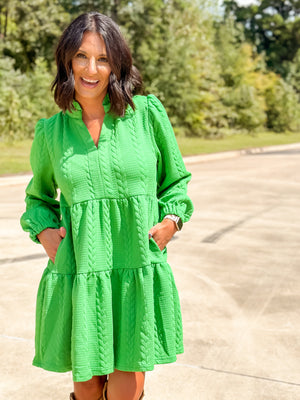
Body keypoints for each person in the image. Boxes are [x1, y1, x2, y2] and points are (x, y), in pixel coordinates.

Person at [20, 11, 193, 400]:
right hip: (82, 275)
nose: (91, 69)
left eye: (102, 58)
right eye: (81, 56)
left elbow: (176, 181)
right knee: (86, 391)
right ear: (67, 61)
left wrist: (170, 222)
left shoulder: (147, 114)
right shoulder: (52, 132)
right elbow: (38, 198)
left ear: (117, 63)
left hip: (135, 269)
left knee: (124, 391)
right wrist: (46, 233)